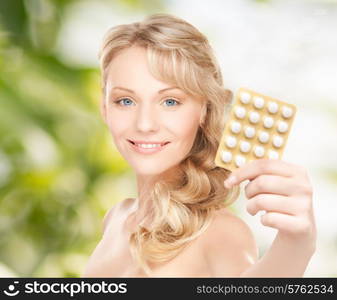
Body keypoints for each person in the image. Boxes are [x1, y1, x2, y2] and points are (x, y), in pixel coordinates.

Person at [82, 13, 316, 277]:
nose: (145, 124)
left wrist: (295, 246)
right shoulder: (116, 218)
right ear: (104, 108)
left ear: (204, 109)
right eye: (125, 101)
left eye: (170, 101)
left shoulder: (222, 234)